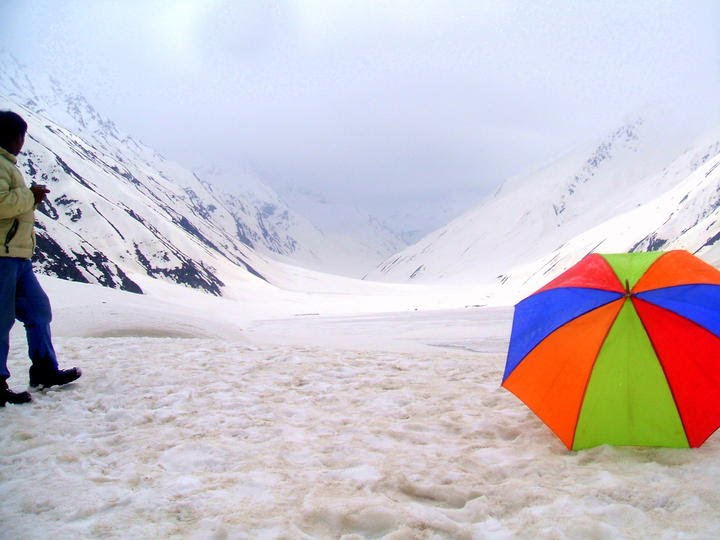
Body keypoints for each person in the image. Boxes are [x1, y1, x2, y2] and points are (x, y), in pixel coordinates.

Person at [0, 110, 81, 406]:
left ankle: (45, 370)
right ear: (12, 136)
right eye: (21, 135)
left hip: (17, 256)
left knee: (38, 311)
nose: (22, 142)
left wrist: (28, 196)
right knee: (1, 319)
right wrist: (29, 196)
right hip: (3, 256)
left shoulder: (8, 166)